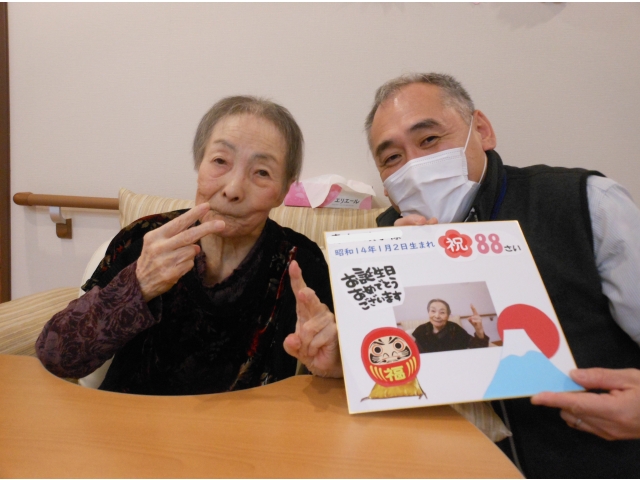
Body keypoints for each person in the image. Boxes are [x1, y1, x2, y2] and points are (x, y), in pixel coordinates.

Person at [365, 73, 640, 478]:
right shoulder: (381, 240)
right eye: (392, 158)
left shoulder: (586, 203)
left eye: (429, 139)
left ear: (482, 131)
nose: (414, 166)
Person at [36, 96, 342, 395]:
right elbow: (57, 357)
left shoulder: (301, 263)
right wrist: (138, 285)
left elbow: (331, 374)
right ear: (199, 164)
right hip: (128, 420)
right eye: (220, 161)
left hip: (247, 427)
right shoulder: (146, 239)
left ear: (283, 191)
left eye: (262, 172)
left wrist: (334, 361)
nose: (233, 190)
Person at [412, 299, 489, 353]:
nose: (437, 316)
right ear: (428, 313)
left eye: (442, 312)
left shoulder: (455, 329)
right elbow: (416, 354)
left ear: (448, 316)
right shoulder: (421, 330)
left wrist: (479, 330)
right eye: (433, 311)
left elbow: (478, 349)